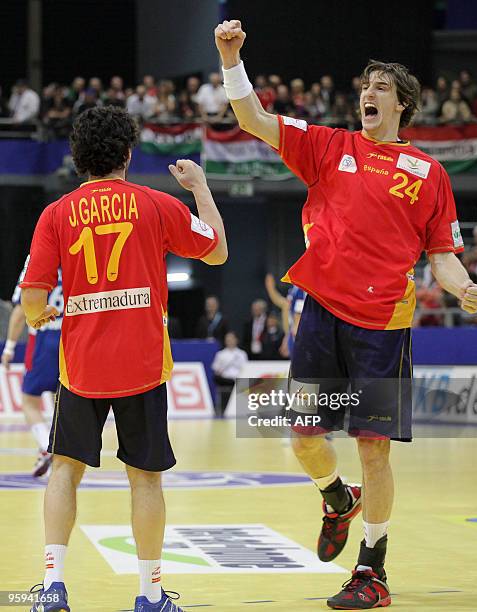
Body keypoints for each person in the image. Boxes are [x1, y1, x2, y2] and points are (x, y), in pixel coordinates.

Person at [215, 19, 477, 610]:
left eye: (383, 86)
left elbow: (442, 258)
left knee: (374, 448)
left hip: (382, 324)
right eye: (367, 84)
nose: (370, 91)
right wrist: (230, 58)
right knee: (305, 436)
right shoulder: (329, 146)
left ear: (403, 104)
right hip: (320, 313)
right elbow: (253, 120)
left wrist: (466, 289)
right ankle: (337, 498)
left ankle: (372, 570)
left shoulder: (429, 175)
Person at [21, 106, 227, 612]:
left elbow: (31, 296)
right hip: (141, 364)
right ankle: (150, 595)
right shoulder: (155, 204)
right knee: (145, 479)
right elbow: (217, 251)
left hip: (82, 367)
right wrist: (199, 188)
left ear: (78, 159)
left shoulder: (58, 213)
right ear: (128, 154)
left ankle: (53, 589)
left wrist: (39, 315)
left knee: (65, 471)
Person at [1, 260, 63, 477]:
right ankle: (58, 451)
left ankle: (46, 446)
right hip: (72, 343)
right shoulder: (78, 259)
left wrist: (9, 348)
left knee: (29, 401)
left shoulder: (37, 263)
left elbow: (19, 311)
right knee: (62, 402)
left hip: (43, 342)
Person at [211, 331, 248, 413]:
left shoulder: (242, 354)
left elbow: (245, 368)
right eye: (228, 339)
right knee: (217, 378)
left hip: (238, 379)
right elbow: (215, 368)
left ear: (236, 340)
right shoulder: (220, 354)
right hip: (225, 380)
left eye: (232, 339)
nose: (230, 341)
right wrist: (218, 372)